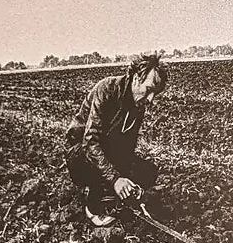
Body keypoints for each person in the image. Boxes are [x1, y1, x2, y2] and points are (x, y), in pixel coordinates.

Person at [63, 53, 167, 226]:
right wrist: (115, 179)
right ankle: (92, 208)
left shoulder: (138, 105)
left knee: (148, 171)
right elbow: (90, 142)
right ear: (136, 79)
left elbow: (127, 148)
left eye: (154, 94)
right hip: (80, 153)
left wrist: (128, 182)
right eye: (149, 90)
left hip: (107, 150)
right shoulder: (107, 89)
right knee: (97, 161)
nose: (150, 100)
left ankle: (111, 196)